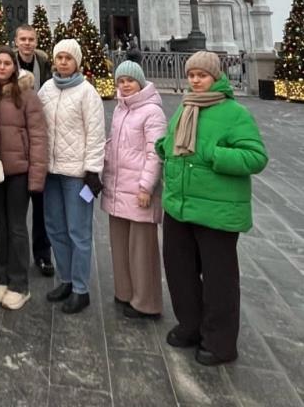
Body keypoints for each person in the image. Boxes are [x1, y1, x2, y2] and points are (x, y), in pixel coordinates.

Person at [156, 51, 268, 365]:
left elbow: (256, 157)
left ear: (216, 77)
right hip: (180, 204)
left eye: (201, 75)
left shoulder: (234, 113)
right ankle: (190, 325)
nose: (195, 80)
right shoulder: (186, 106)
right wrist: (164, 147)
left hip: (216, 209)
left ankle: (220, 342)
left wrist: (214, 155)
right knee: (180, 270)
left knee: (219, 278)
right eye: (191, 75)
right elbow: (175, 141)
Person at [39, 38, 105, 314]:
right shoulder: (46, 89)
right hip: (51, 172)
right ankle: (65, 279)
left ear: (77, 62)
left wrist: (93, 170)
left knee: (78, 231)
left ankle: (81, 288)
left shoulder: (87, 93)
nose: (63, 62)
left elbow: (96, 133)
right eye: (59, 57)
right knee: (55, 227)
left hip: (77, 175)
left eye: (68, 58)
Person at [101, 59, 167, 319]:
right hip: (118, 186)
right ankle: (125, 292)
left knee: (141, 250)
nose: (125, 85)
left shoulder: (152, 112)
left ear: (140, 81)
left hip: (139, 190)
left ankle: (146, 302)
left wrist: (146, 187)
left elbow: (155, 153)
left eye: (130, 80)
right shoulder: (121, 108)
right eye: (121, 81)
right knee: (120, 244)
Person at [0, 46, 48, 310]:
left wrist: (36, 176)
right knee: (0, 226)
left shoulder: (27, 95)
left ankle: (20, 284)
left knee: (16, 226)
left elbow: (38, 137)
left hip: (19, 171)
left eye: (7, 63)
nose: (2, 67)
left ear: (15, 67)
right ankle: (3, 278)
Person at [13, 24, 54, 277]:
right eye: (23, 39)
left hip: (39, 138)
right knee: (16, 207)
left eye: (31, 39)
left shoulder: (44, 64)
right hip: (16, 140)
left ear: (36, 41)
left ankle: (43, 254)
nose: (27, 43)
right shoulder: (8, 63)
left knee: (42, 204)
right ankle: (15, 257)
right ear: (16, 41)